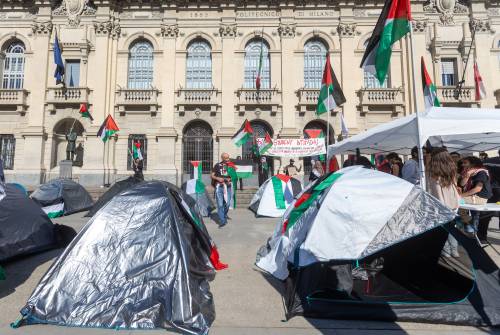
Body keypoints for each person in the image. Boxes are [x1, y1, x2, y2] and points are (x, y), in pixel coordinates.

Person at [427, 148, 460, 257]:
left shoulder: (432, 170)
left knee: (442, 228)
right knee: (452, 227)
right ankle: (454, 250)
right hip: (453, 202)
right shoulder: (452, 168)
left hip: (439, 203)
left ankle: (446, 251)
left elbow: (432, 189)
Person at [459, 156, 493, 234]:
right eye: (462, 163)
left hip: (479, 198)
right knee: (458, 202)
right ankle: (466, 223)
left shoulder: (481, 172)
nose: (462, 165)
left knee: (457, 201)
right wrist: (467, 175)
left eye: (465, 163)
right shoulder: (468, 172)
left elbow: (478, 189)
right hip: (473, 197)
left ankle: (468, 224)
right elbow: (462, 184)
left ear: (473, 164)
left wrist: (461, 196)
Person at [478, 150, 500, 243]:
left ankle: (482, 237)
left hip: (488, 189)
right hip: (495, 189)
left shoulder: (487, 161)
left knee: (485, 214)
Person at [211, 153, 233, 228]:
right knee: (220, 204)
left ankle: (224, 214)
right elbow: (212, 175)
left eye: (228, 157)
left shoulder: (231, 165)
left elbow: (234, 175)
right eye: (226, 158)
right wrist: (218, 178)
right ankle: (222, 221)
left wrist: (230, 179)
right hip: (219, 187)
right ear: (222, 158)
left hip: (228, 186)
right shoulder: (217, 165)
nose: (228, 159)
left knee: (227, 203)